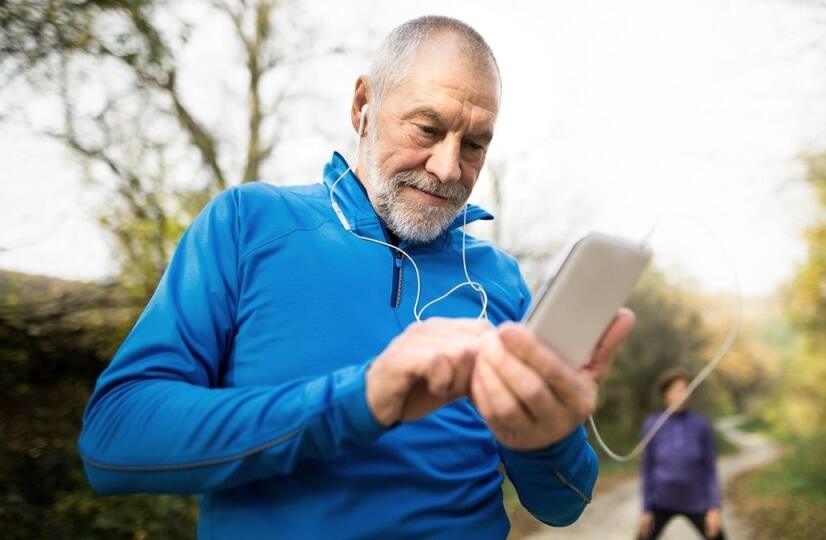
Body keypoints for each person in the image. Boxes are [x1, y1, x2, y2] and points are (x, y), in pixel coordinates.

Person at [77, 15, 637, 540]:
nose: (448, 167)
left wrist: (546, 439)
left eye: (473, 144)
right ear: (363, 105)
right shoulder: (248, 224)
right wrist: (361, 398)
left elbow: (560, 505)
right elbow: (114, 441)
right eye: (427, 128)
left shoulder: (503, 282)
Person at [637, 368, 725, 540]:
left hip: (697, 502)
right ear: (666, 394)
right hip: (661, 502)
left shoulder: (701, 425)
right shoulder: (652, 424)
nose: (683, 395)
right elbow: (647, 469)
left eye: (686, 389)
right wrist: (646, 510)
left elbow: (710, 469)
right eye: (677, 390)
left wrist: (714, 508)